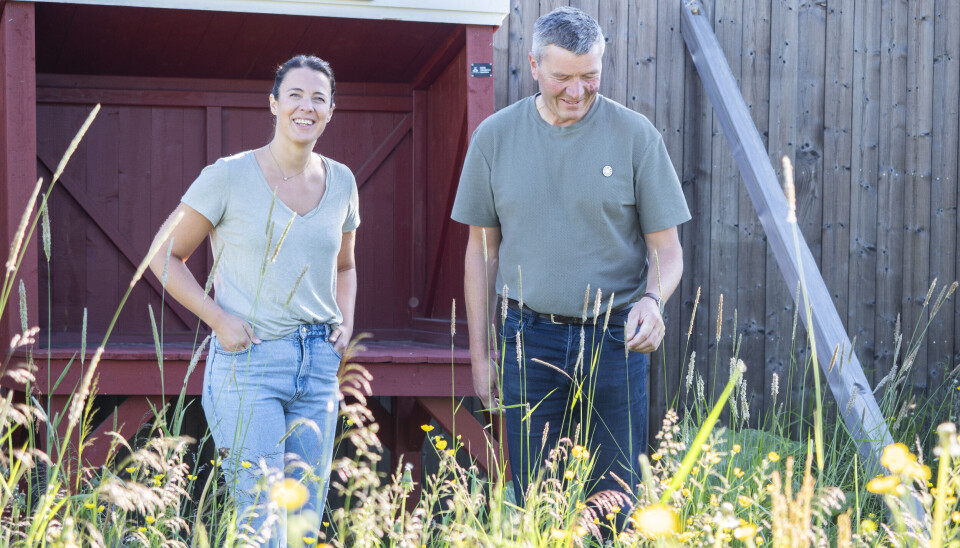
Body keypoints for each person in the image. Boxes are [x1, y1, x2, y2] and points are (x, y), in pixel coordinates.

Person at [451, 6, 690, 511]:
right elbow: (480, 251)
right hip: (526, 339)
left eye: (590, 77)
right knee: (537, 501)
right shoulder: (494, 137)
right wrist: (479, 353)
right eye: (562, 77)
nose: (577, 91)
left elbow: (667, 251)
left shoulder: (636, 136)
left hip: (616, 339)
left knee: (615, 499)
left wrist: (653, 299)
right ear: (534, 66)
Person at [147, 55, 358, 545]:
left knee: (303, 521)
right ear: (274, 105)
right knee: (262, 524)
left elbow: (345, 267)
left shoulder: (342, 181)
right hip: (250, 366)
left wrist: (344, 326)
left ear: (331, 110)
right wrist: (218, 319)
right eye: (295, 96)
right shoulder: (228, 176)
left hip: (318, 369)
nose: (307, 107)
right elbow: (163, 256)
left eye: (319, 98)